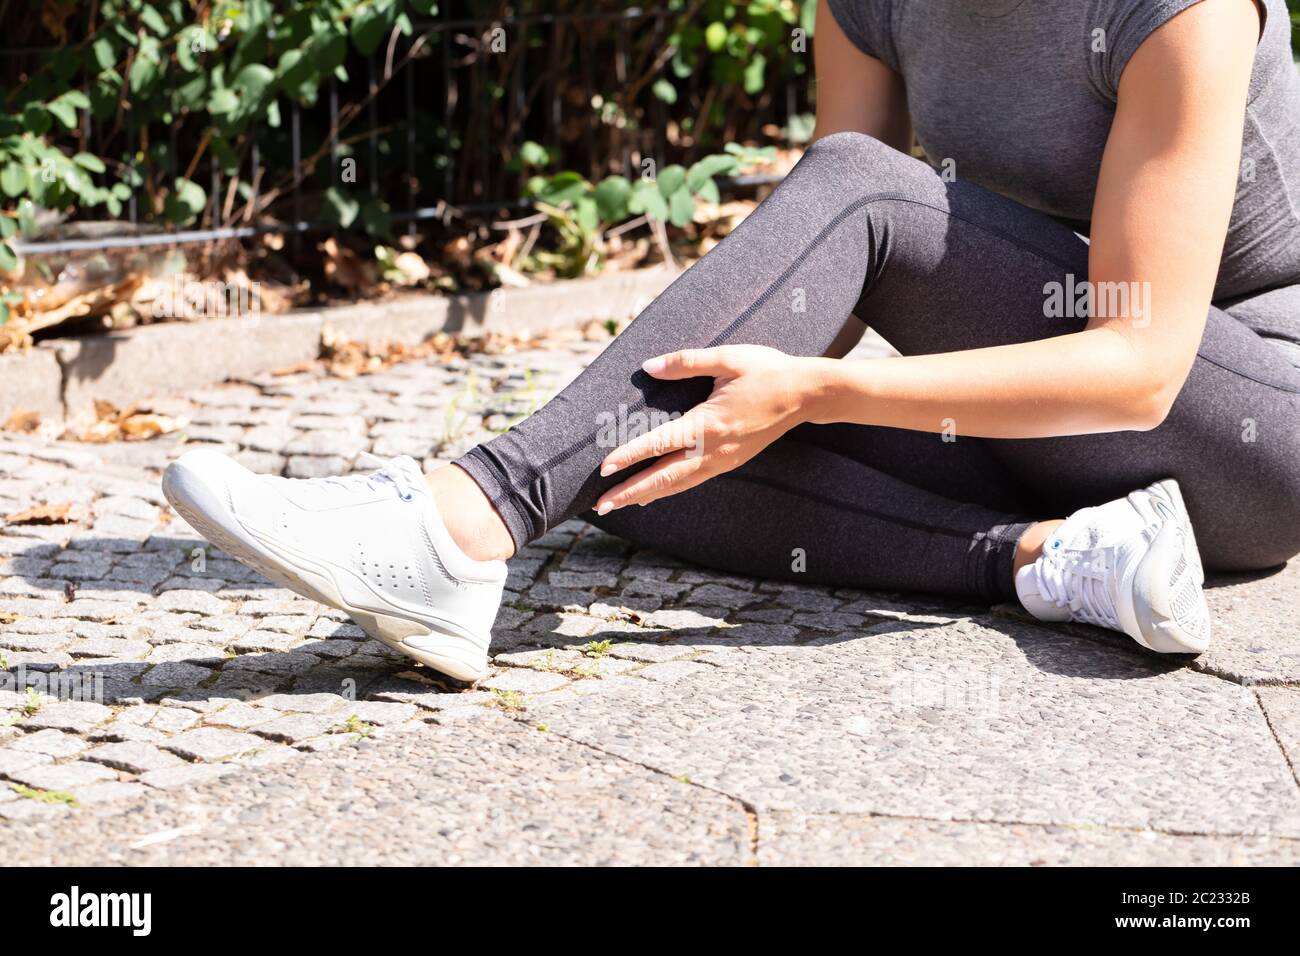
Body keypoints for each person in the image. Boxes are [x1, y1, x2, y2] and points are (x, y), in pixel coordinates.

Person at [163, 0, 1300, 682]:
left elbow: (1138, 369)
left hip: (1245, 434)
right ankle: (1046, 554)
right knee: (636, 465)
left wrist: (814, 395)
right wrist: (736, 387)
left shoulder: (1176, 9)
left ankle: (464, 522)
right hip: (1039, 429)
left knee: (828, 232)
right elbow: (836, 266)